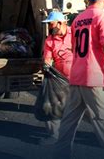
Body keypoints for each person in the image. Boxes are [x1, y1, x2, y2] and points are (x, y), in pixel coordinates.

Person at [54, 0, 104, 159]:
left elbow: (75, 48)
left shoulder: (78, 19)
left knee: (68, 123)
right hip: (95, 79)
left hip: (76, 77)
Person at [40, 11, 73, 145]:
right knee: (52, 107)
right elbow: (47, 58)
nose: (49, 26)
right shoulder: (50, 40)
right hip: (59, 81)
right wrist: (46, 66)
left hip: (79, 79)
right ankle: (54, 136)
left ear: (60, 23)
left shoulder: (75, 34)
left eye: (51, 23)